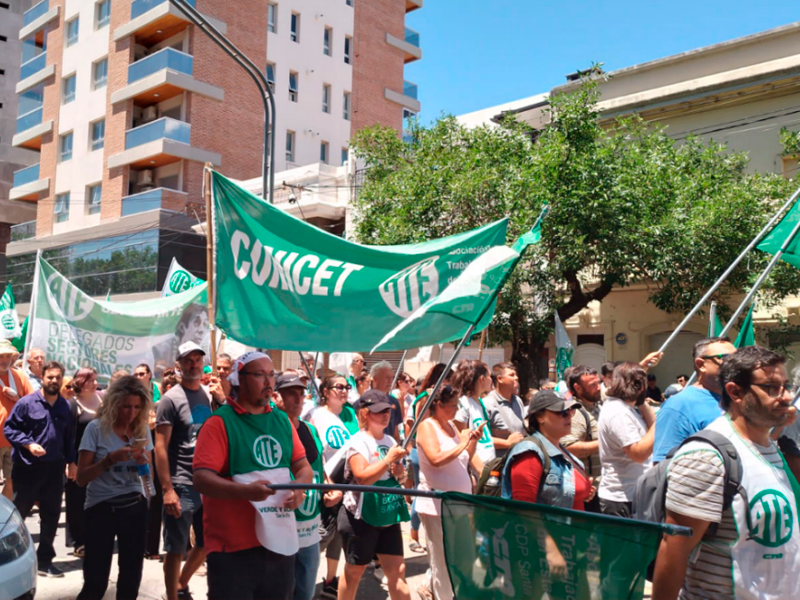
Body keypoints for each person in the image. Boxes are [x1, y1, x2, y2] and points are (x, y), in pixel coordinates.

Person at [652, 346, 800, 600]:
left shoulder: (767, 447)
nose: (786, 397)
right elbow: (674, 550)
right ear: (735, 392)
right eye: (771, 388)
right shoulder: (707, 457)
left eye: (785, 386)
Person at [193, 351, 312, 600]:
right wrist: (245, 492)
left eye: (271, 375)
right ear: (240, 379)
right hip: (232, 549)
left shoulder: (282, 421)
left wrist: (300, 487)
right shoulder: (218, 423)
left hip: (278, 543)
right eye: (259, 375)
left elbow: (303, 468)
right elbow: (202, 479)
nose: (268, 382)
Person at [155, 341, 224, 600]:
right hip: (181, 483)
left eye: (197, 360)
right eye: (188, 360)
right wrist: (167, 489)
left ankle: (181, 584)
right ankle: (171, 596)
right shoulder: (170, 400)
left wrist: (222, 399)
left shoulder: (208, 395)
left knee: (206, 542)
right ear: (179, 365)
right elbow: (160, 447)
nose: (193, 365)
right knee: (176, 548)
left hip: (207, 482)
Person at [75, 375, 154, 600]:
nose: (131, 413)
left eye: (137, 407)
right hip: (102, 508)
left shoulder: (142, 429)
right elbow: (81, 478)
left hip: (135, 507)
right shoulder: (96, 429)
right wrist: (109, 460)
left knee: (130, 579)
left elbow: (148, 478)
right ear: (114, 403)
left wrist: (143, 464)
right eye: (126, 406)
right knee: (95, 582)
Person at [4, 360, 75, 577]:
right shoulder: (26, 403)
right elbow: (10, 429)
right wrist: (28, 444)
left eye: (57, 377)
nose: (54, 381)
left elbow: (69, 438)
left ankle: (44, 561)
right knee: (19, 513)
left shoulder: (65, 406)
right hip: (28, 468)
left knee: (51, 514)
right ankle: (8, 558)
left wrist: (71, 462)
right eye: (50, 377)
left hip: (54, 469)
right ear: (42, 378)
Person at [338, 389, 411, 600]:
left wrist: (400, 473)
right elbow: (362, 478)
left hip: (387, 513)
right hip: (360, 517)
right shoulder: (358, 442)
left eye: (387, 410)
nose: (385, 415)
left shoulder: (390, 441)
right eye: (379, 411)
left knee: (397, 571)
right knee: (354, 571)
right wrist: (388, 460)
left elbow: (399, 478)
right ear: (365, 413)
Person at [274, 372, 336, 600]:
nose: (298, 399)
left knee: (305, 593)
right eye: (291, 393)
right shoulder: (270, 430)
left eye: (301, 393)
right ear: (275, 397)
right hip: (281, 527)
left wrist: (329, 485)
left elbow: (319, 463)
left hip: (310, 529)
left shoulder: (310, 429)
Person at [415, 385, 479, 600]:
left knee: (465, 556)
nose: (457, 409)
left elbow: (464, 458)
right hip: (437, 506)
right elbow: (436, 459)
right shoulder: (427, 427)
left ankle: (434, 588)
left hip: (459, 503)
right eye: (453, 405)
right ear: (439, 405)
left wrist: (472, 441)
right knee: (442, 561)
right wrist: (463, 443)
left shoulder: (452, 426)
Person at [309, 374, 359, 598]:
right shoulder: (316, 415)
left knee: (339, 534)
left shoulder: (351, 414)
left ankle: (330, 580)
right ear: (326, 392)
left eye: (346, 386)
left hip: (347, 484)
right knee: (321, 536)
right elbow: (313, 452)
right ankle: (298, 578)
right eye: (339, 387)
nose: (344, 390)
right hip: (326, 485)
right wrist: (327, 485)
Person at [503, 390, 594, 508]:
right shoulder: (529, 454)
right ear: (540, 417)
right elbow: (524, 510)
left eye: (570, 411)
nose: (569, 416)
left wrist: (584, 491)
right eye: (562, 412)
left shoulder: (559, 448)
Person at [652, 337, 735, 463]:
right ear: (701, 365)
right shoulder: (678, 406)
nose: (736, 365)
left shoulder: (740, 399)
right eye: (726, 358)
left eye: (737, 358)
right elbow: (664, 465)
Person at [596, 362, 656, 517]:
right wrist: (663, 420)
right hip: (621, 498)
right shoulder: (619, 412)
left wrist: (641, 402)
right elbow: (638, 454)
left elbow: (652, 425)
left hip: (630, 494)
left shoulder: (624, 407)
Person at [65, 367, 103, 559]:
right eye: (90, 380)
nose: (95, 383)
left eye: (95, 379)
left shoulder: (103, 400)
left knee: (98, 499)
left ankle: (96, 536)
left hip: (100, 458)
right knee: (77, 500)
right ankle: (78, 541)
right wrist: (70, 463)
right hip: (79, 459)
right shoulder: (73, 405)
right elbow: (68, 437)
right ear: (80, 382)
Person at [560, 365, 602, 512]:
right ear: (577, 388)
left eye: (598, 383)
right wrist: (607, 442)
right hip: (589, 493)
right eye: (592, 385)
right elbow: (568, 448)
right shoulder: (576, 414)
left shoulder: (598, 406)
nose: (598, 388)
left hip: (601, 488)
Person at [0, 339, 33, 500]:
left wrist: (17, 398)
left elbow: (33, 404)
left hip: (14, 440)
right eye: (1, 356)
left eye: (8, 356)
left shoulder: (19, 376)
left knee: (12, 481)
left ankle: (3, 512)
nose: (5, 360)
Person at [453, 360, 496, 470]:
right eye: (489, 376)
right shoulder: (463, 404)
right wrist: (480, 471)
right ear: (482, 379)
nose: (492, 379)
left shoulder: (480, 403)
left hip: (489, 467)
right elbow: (461, 441)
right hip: (475, 470)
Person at [483, 363, 526, 453]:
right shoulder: (487, 404)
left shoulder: (518, 401)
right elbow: (481, 439)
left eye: (516, 375)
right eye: (511, 375)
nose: (516, 378)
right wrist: (507, 443)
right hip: (500, 460)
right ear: (500, 379)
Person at [370, 361, 404, 440]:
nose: (390, 381)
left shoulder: (394, 402)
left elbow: (396, 431)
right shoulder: (364, 402)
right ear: (375, 379)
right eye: (387, 378)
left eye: (392, 378)